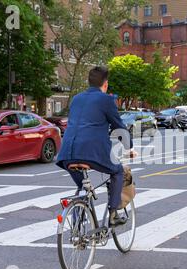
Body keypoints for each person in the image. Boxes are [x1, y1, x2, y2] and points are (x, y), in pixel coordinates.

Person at [56, 66, 136, 226]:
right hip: (91, 152)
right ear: (105, 84)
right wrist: (130, 149)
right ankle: (113, 214)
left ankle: (77, 224)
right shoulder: (106, 100)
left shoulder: (76, 99)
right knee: (118, 171)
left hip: (67, 153)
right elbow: (118, 127)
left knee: (81, 186)